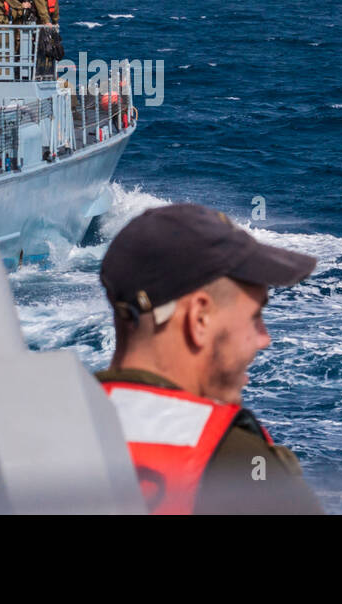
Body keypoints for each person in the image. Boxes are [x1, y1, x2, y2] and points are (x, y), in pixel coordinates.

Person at [96, 203, 322, 515]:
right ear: (199, 318)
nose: (264, 338)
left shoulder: (41, 430)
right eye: (255, 317)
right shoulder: (236, 463)